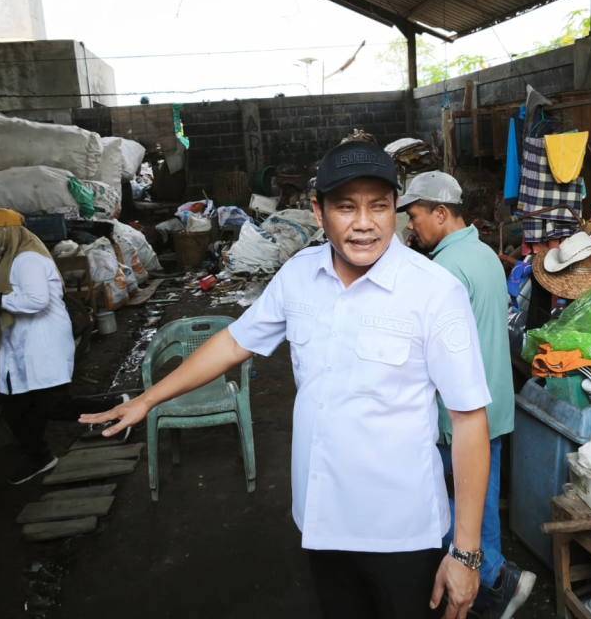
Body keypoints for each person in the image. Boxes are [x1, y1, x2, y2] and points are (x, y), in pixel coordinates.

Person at [82, 142, 492, 619]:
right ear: (318, 211)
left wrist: (464, 553)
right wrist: (148, 399)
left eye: (379, 206)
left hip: (400, 530)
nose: (365, 223)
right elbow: (235, 342)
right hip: (321, 521)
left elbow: (468, 421)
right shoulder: (298, 277)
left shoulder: (435, 292)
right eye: (346, 207)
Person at [401, 172, 536, 619]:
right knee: (479, 501)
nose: (411, 226)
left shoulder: (443, 270)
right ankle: (496, 587)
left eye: (415, 216)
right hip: (493, 402)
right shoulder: (482, 254)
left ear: (441, 213)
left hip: (459, 412)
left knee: (436, 501)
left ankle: (494, 578)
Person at [0, 209, 128, 485]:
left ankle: (116, 408)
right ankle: (39, 456)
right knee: (16, 404)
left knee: (50, 404)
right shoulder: (14, 257)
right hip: (24, 342)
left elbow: (36, 301)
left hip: (41, 342)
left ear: (6, 233)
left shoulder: (27, 258)